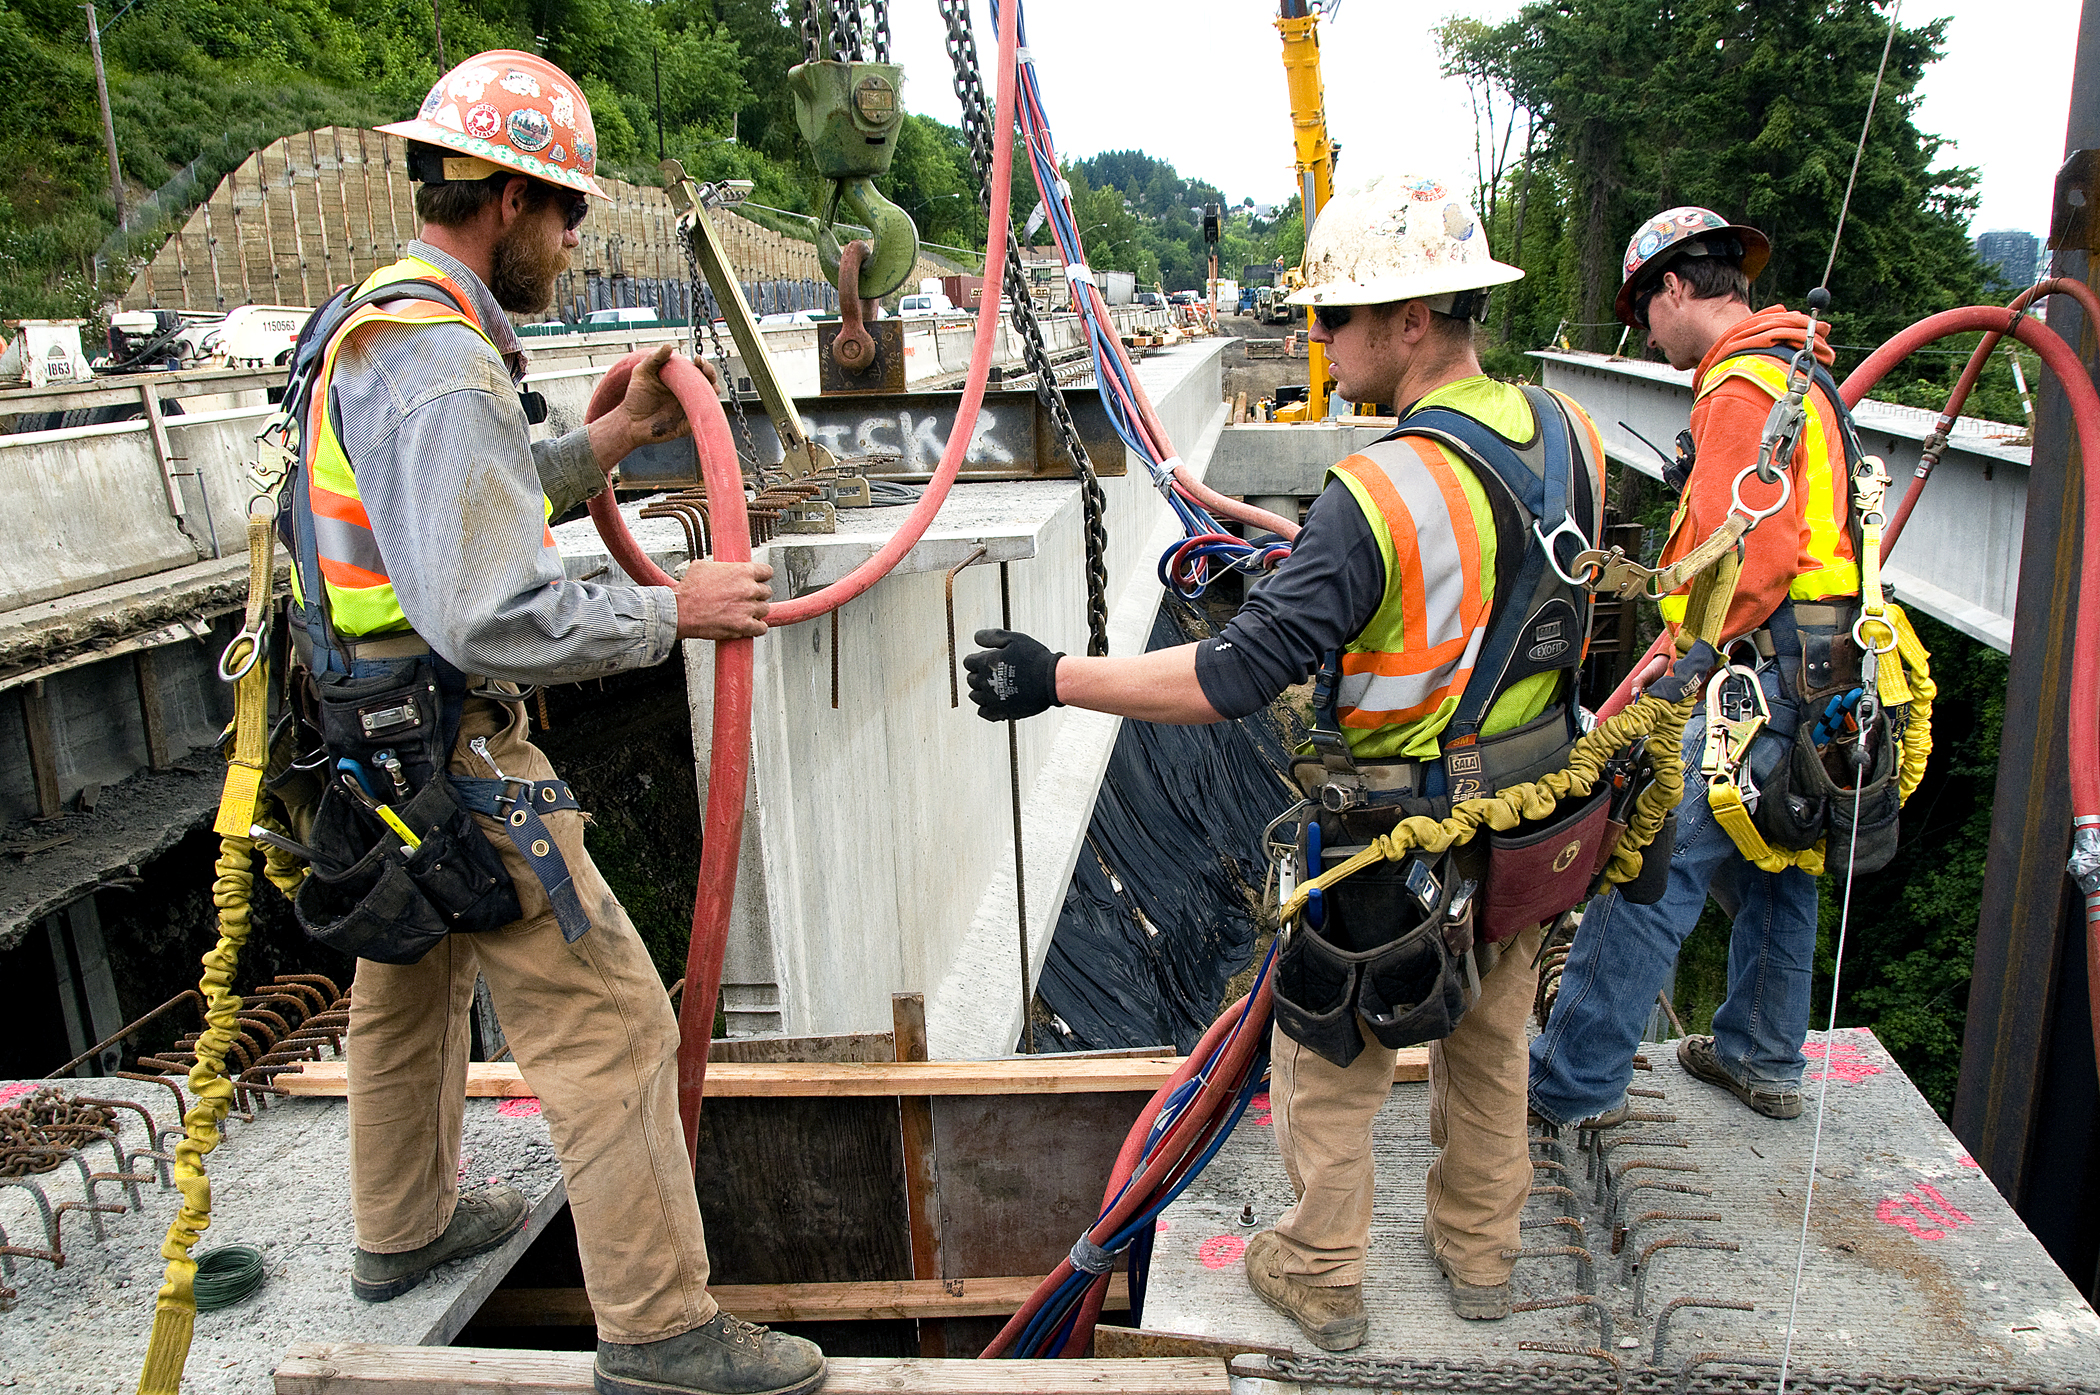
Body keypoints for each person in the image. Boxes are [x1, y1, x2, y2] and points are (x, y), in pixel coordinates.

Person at [965, 171, 1607, 1345]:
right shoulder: (1568, 435)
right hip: (1537, 813)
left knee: (1335, 1055)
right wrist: (1307, 553)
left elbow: (1233, 677)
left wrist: (1055, 677)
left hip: (1395, 837)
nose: (1316, 337)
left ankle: (1320, 1271)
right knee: (1491, 1039)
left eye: (1334, 318)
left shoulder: (1379, 490)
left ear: (1411, 322)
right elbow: (1486, 593)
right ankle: (1481, 1258)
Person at [288, 50, 823, 1395]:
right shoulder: (439, 357)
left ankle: (399, 1228)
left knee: (410, 982)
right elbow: (490, 608)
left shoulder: (377, 322)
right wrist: (676, 608)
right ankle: (659, 1327)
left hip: (373, 740)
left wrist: (601, 449)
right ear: (507, 199)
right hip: (460, 745)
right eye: (566, 210)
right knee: (614, 1026)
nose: (576, 238)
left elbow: (457, 493)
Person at [1527, 207, 1862, 1132]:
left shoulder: (1740, 390)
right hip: (1825, 669)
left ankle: (1568, 1081)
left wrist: (1681, 657)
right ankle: (1762, 1051)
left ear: (1675, 288)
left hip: (1763, 671)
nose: (1646, 334)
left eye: (1645, 314)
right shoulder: (1797, 373)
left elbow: (1741, 561)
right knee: (1778, 855)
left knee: (1652, 863)